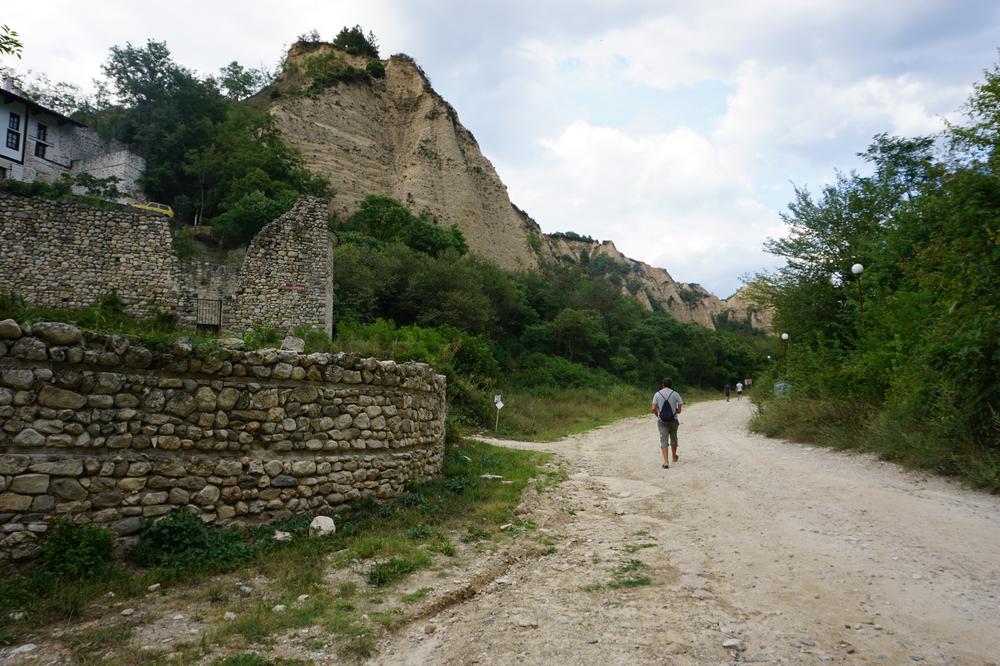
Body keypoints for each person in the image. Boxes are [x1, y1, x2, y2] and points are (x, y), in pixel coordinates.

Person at [651, 378, 684, 468]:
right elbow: (680, 410)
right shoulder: (675, 394)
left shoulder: (657, 394)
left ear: (663, 385)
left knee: (663, 439)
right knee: (674, 437)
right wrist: (675, 411)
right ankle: (674, 456)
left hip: (662, 421)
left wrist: (657, 415)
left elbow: (653, 408)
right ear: (671, 385)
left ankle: (666, 462)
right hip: (673, 420)